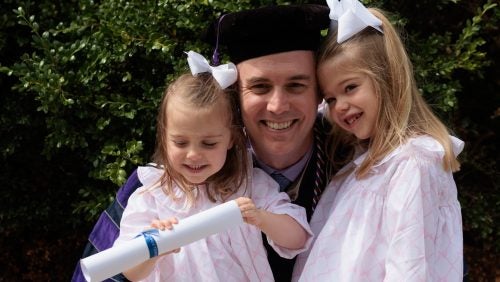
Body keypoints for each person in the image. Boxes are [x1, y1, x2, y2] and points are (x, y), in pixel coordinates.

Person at [72, 4, 333, 282]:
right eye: (259, 87)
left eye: (296, 85)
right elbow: (110, 273)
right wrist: (153, 249)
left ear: (320, 92)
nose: (278, 106)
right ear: (235, 96)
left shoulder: (354, 171)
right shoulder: (150, 191)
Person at [292, 2, 464, 281]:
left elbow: (409, 268)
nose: (340, 107)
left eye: (350, 88)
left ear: (388, 79)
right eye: (332, 98)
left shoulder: (412, 164)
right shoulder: (367, 160)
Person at [115, 51, 313, 281]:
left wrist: (261, 217)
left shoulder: (248, 184)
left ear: (231, 139)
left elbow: (298, 237)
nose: (193, 154)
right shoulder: (151, 196)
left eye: (209, 143)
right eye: (180, 142)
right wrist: (153, 247)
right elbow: (128, 270)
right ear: (164, 137)